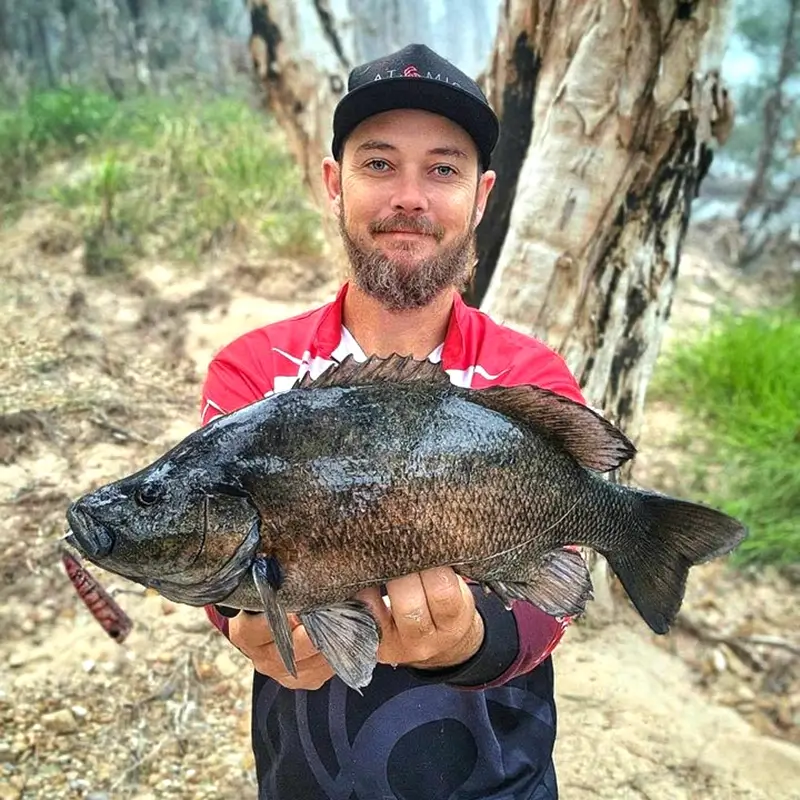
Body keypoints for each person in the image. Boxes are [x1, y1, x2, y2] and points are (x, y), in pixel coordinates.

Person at [201, 43, 585, 800]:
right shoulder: (253, 371)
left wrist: (477, 639)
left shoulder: (530, 377)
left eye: (442, 169)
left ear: (480, 197)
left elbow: (557, 586)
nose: (410, 196)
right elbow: (219, 547)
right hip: (305, 777)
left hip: (500, 778)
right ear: (334, 183)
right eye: (379, 164)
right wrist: (241, 625)